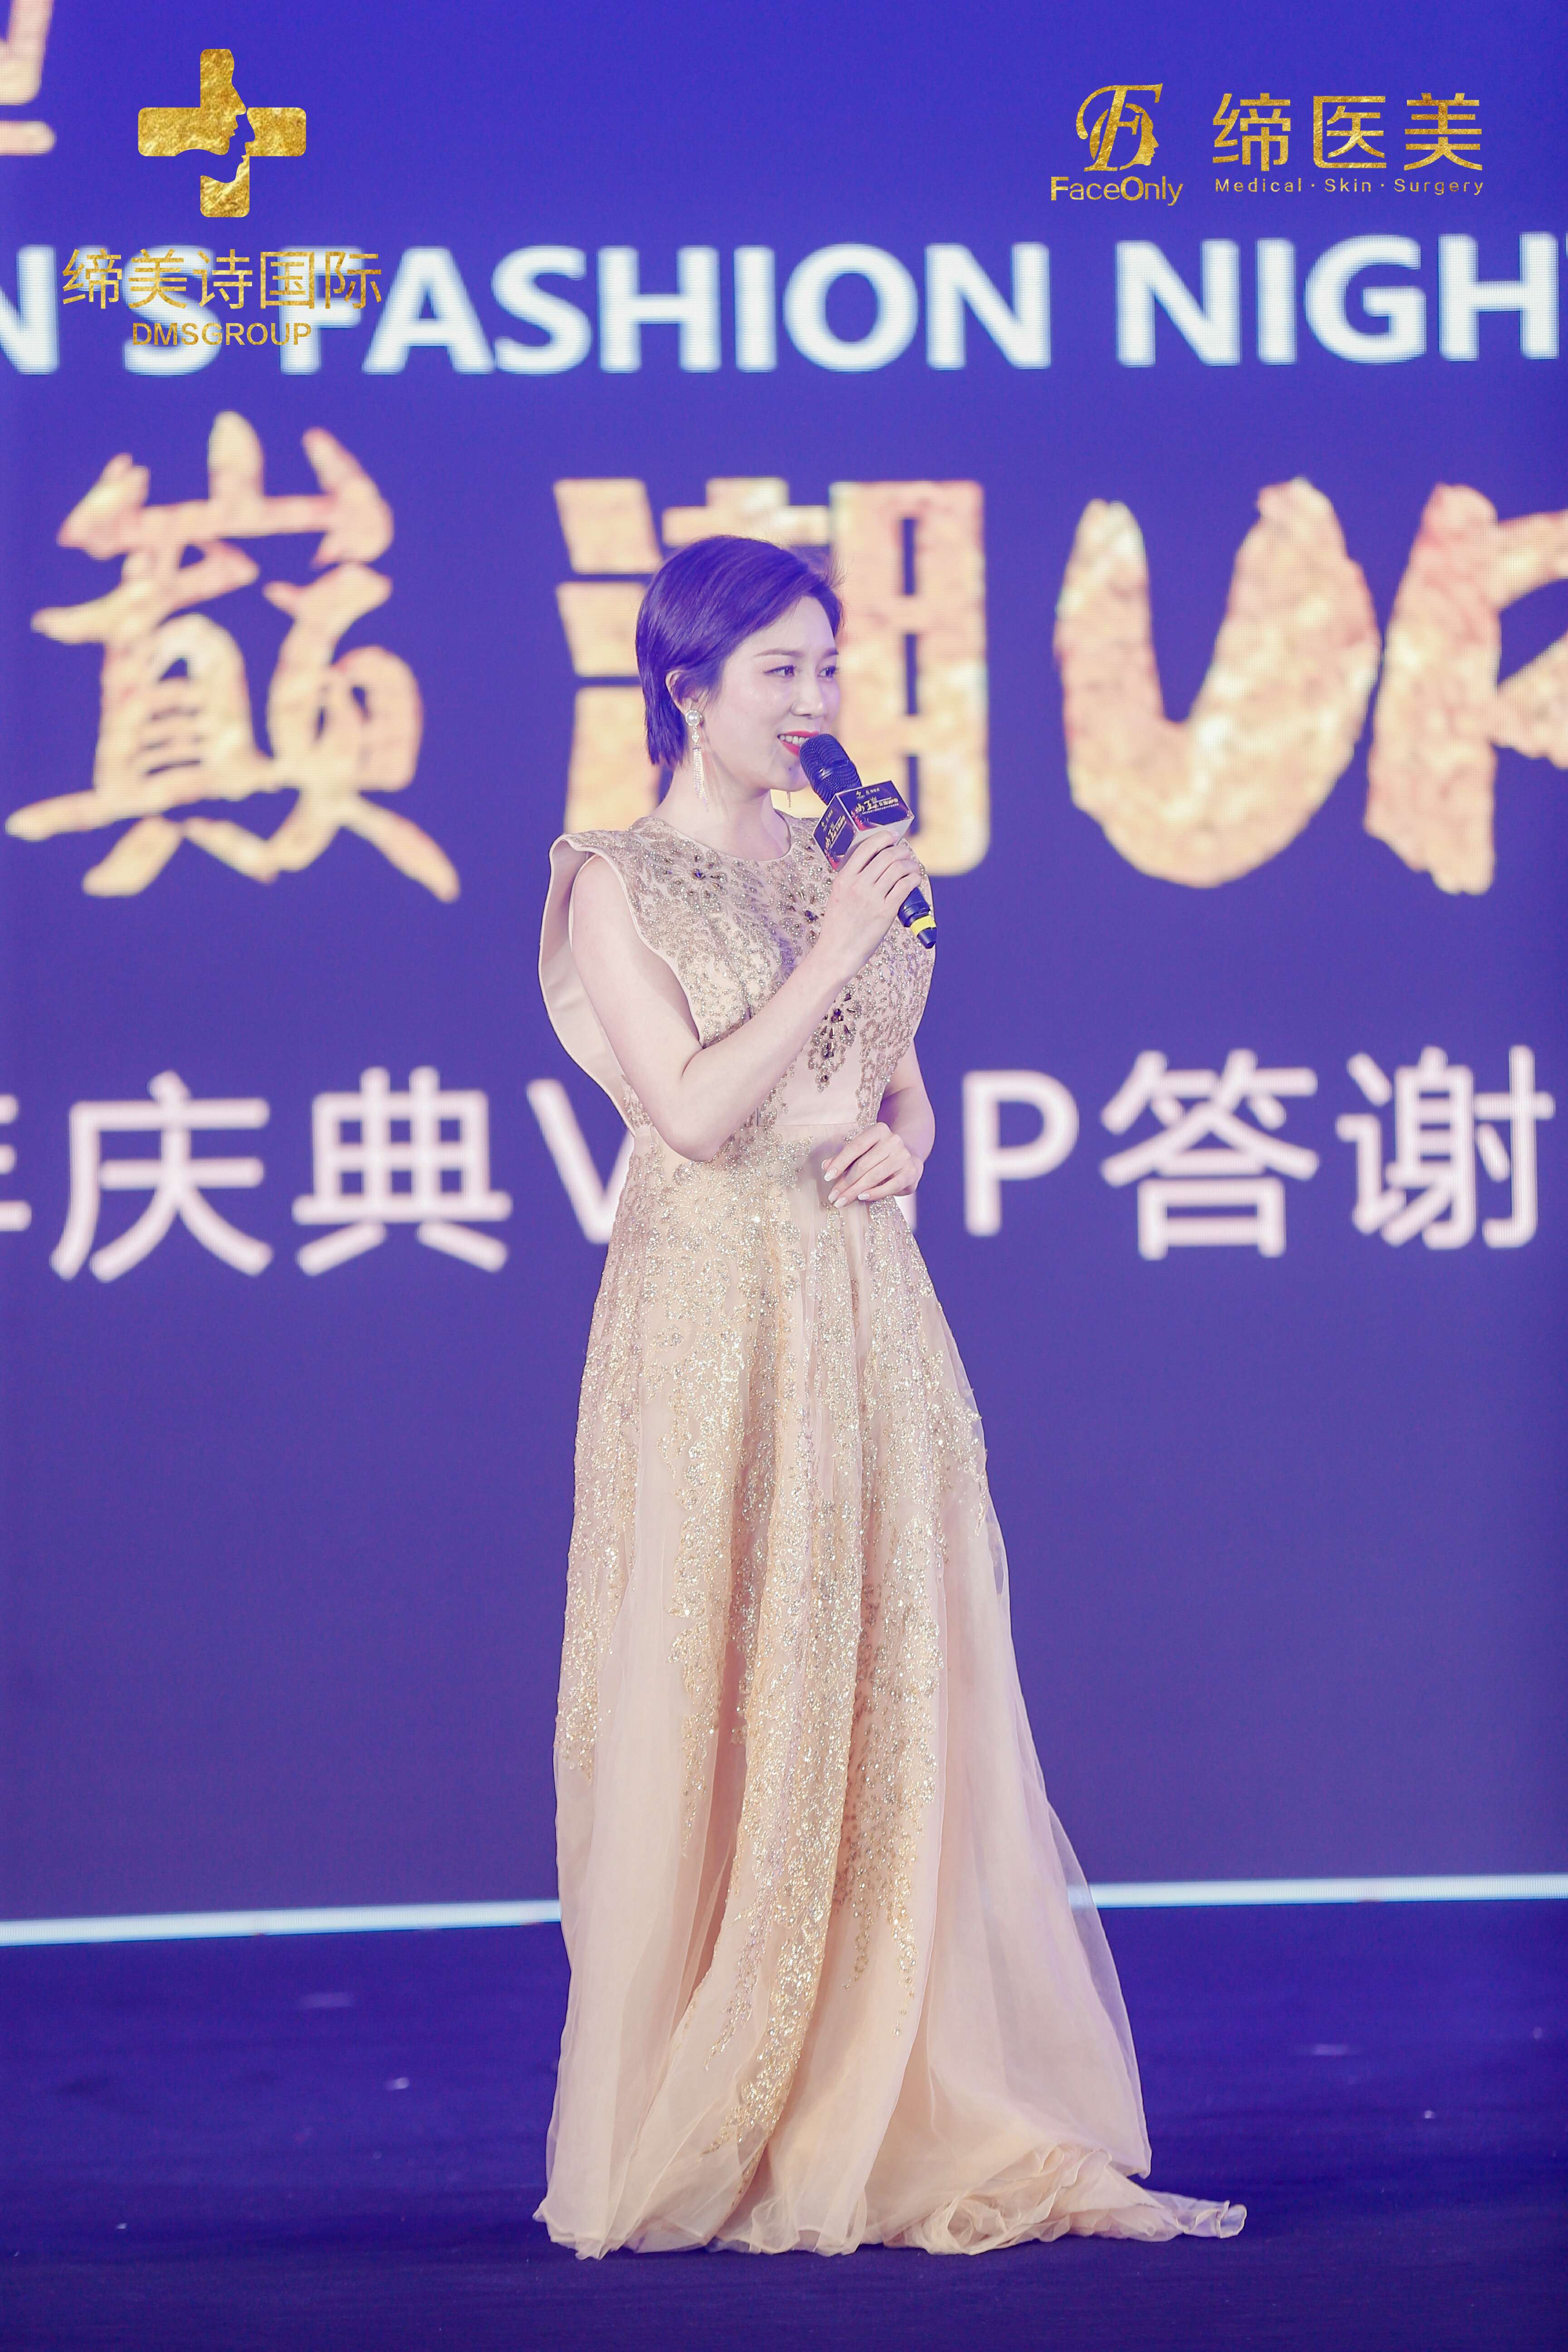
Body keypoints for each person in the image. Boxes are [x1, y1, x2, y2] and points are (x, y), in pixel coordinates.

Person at [536, 534, 1243, 2257]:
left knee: (890, 1675)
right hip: (718, 1319)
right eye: (777, 672)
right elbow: (693, 1114)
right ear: (686, 688)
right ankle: (726, 2104)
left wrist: (905, 1140)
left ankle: (902, 2086)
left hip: (865, 1310)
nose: (815, 701)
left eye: (828, 667)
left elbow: (896, 1088)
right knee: (731, 1669)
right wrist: (835, 941)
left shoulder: (828, 863)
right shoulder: (612, 879)